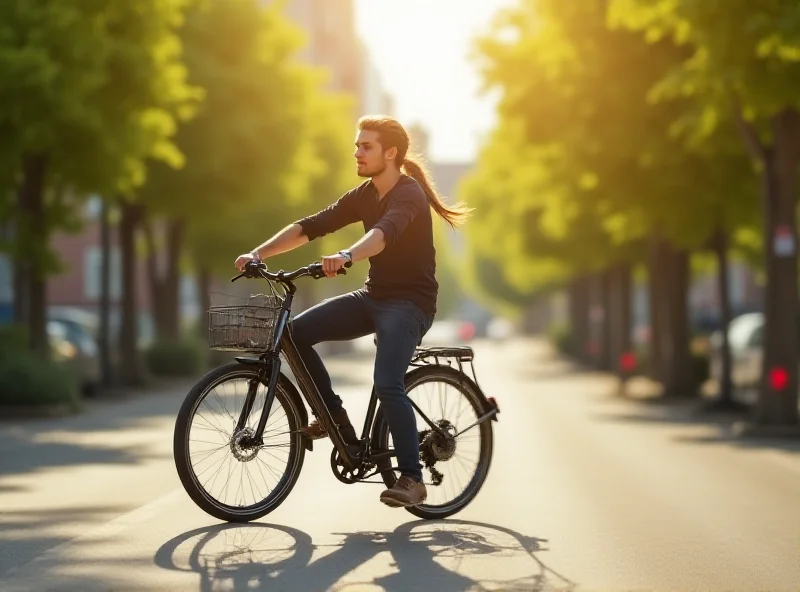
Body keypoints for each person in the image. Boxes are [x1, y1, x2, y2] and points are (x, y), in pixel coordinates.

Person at [234, 115, 471, 508]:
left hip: (410, 303)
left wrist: (348, 254)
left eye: (366, 146)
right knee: (294, 333)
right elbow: (311, 225)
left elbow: (382, 235)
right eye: (357, 145)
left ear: (390, 153)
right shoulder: (364, 194)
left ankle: (412, 478)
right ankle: (333, 419)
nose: (357, 152)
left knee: (388, 381)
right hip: (374, 296)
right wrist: (259, 253)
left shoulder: (408, 195)